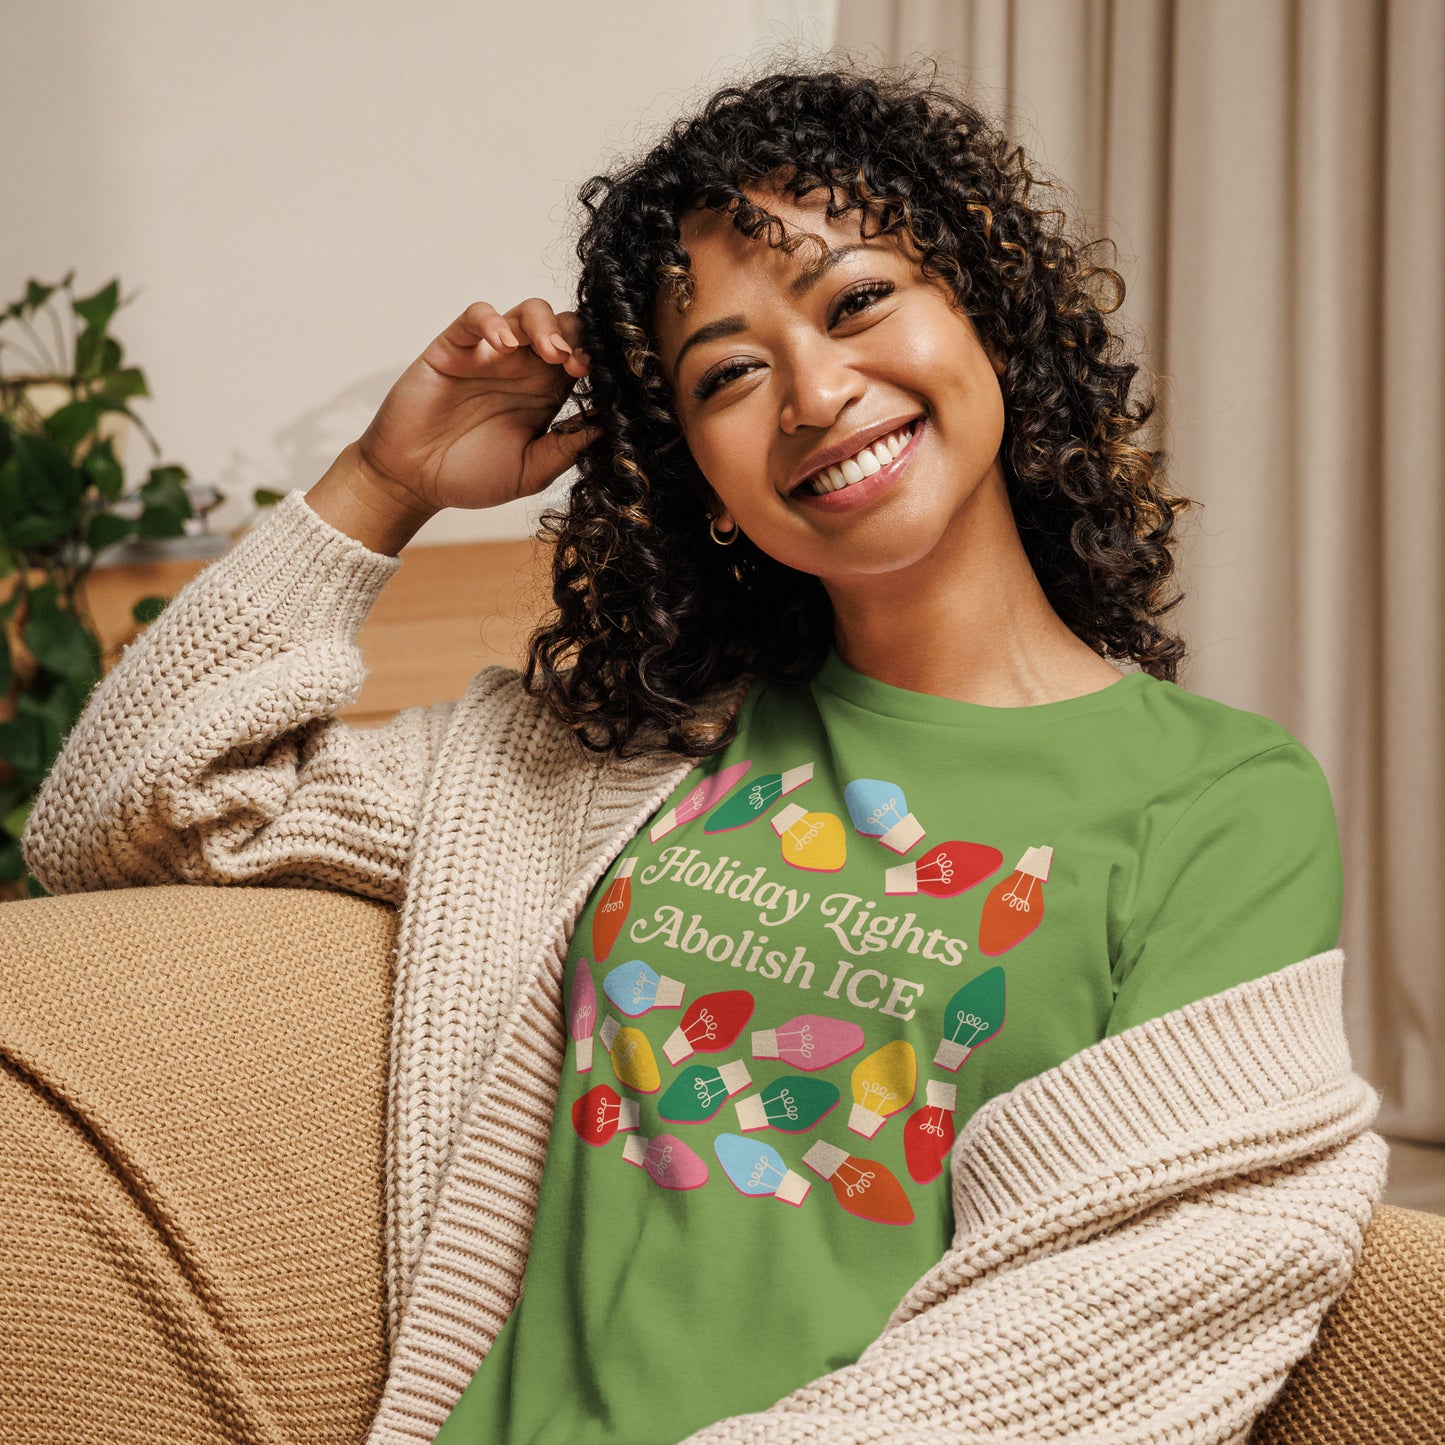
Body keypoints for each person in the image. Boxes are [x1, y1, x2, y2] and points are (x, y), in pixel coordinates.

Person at [15, 60, 1385, 1445]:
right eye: (729, 372)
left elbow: (1132, 1306)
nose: (814, 392)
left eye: (857, 301)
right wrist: (381, 485)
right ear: (704, 480)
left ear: (986, 312)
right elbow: (125, 815)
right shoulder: (610, 758)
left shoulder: (1218, 801)